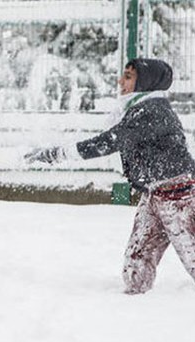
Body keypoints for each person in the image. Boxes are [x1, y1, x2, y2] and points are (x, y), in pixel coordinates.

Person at [25, 58, 195, 295]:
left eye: (128, 76)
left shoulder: (153, 111)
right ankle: (133, 300)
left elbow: (108, 142)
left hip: (177, 195)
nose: (120, 81)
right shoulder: (138, 108)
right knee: (137, 259)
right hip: (154, 193)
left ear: (144, 82)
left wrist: (57, 154)